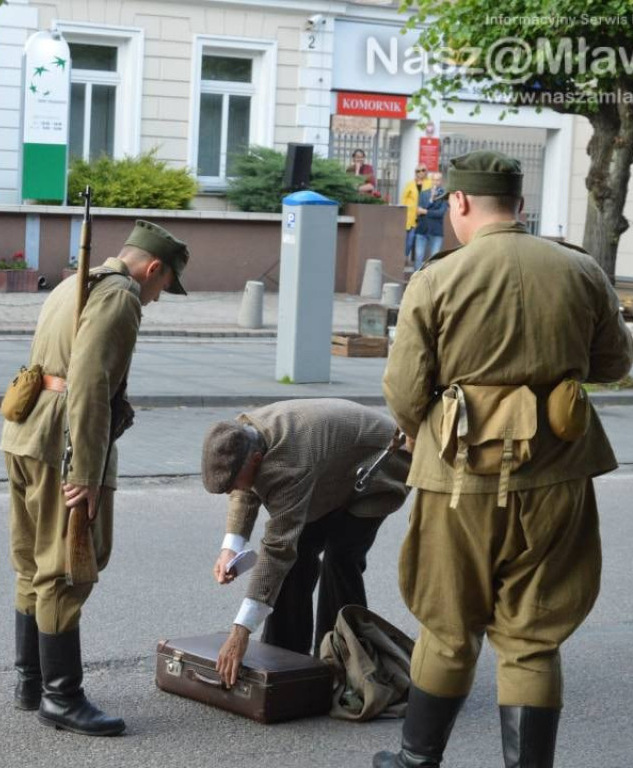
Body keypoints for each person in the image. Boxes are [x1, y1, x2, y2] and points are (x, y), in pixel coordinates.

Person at [376, 151, 633, 768]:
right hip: (558, 474)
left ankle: (417, 762)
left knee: (446, 625)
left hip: (459, 477)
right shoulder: (580, 269)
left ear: (460, 203)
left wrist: (424, 433)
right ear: (519, 205)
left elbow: (405, 390)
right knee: (533, 639)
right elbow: (615, 364)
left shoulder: (437, 278)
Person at [0, 220, 191, 737]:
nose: (156, 299)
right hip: (64, 440)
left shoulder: (74, 282)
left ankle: (31, 681)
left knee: (30, 562)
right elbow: (88, 382)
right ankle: (61, 698)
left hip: (25, 432)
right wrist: (84, 470)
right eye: (163, 287)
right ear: (153, 269)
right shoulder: (121, 295)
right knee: (65, 566)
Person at [199, 399, 411, 688]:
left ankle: (343, 659)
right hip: (332, 467)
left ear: (257, 460)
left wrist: (240, 633)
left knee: (340, 556)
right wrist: (230, 548)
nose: (232, 491)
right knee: (299, 552)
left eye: (233, 483)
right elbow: (246, 490)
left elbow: (278, 548)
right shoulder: (242, 436)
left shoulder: (287, 466)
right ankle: (284, 655)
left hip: (383, 463)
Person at [412, 171, 447, 269]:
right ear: (431, 181)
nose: (436, 182)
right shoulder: (423, 194)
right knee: (419, 256)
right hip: (422, 229)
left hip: (436, 231)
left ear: (441, 181)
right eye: (434, 180)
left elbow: (440, 213)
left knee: (434, 259)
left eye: (438, 180)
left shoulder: (444, 195)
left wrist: (426, 212)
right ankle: (416, 280)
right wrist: (431, 199)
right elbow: (418, 211)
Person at [401, 164, 431, 263]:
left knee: (420, 240)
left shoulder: (430, 183)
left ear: (426, 172)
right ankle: (405, 257)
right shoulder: (410, 184)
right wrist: (404, 212)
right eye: (418, 171)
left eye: (423, 170)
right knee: (410, 240)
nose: (421, 173)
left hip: (423, 216)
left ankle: (417, 262)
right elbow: (404, 199)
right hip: (411, 216)